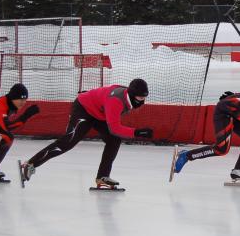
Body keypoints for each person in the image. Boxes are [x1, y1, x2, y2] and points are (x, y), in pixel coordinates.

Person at [20, 79, 152, 189]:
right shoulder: (116, 101)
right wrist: (136, 132)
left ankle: (102, 177)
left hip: (99, 113)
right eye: (140, 98)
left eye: (144, 98)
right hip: (84, 108)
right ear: (132, 94)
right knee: (69, 141)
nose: (142, 101)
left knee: (114, 140)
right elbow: (114, 128)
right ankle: (30, 164)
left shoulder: (127, 96)